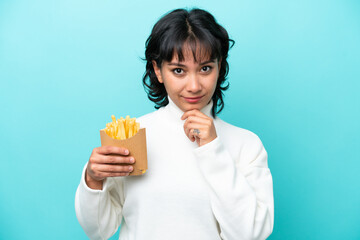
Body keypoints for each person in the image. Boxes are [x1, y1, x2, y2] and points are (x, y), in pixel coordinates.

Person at [75, 8, 274, 240]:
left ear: (220, 67)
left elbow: (249, 234)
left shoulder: (246, 145)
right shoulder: (132, 136)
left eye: (205, 68)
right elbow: (98, 231)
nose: (194, 86)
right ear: (158, 70)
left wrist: (212, 149)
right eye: (178, 70)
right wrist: (92, 180)